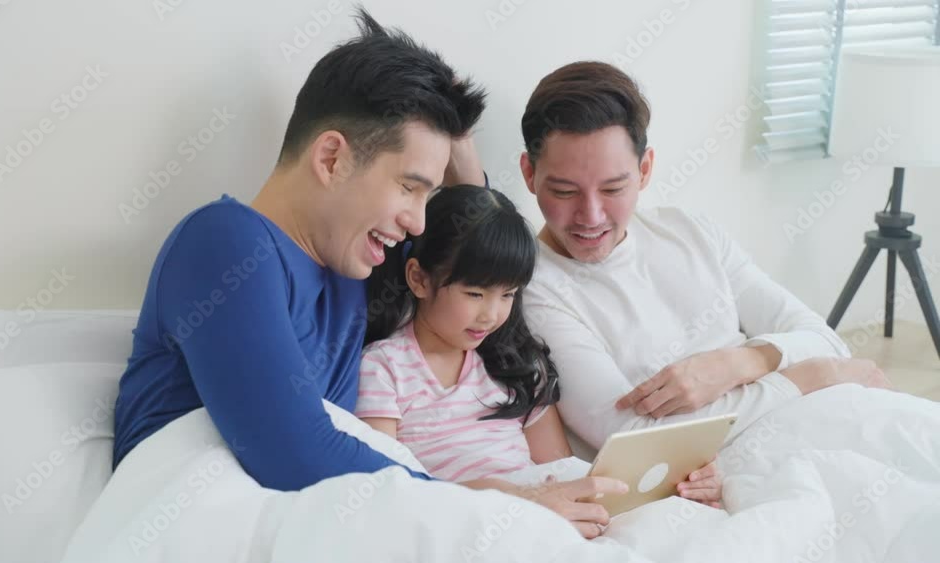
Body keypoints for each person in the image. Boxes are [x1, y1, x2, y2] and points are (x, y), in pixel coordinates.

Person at [110, 10, 623, 534]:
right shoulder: (224, 242)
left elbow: (479, 247)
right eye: (409, 186)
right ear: (332, 158)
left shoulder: (357, 262)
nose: (417, 220)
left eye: (429, 192)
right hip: (200, 517)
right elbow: (292, 451)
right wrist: (497, 504)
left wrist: (456, 134)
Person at [511, 61, 890, 452]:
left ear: (645, 170)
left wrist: (738, 364)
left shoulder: (688, 230)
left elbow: (826, 341)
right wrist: (809, 377)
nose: (591, 216)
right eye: (564, 192)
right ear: (529, 174)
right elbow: (632, 439)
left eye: (612, 189)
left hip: (817, 415)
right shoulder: (532, 290)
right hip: (740, 455)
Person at [357, 185, 723, 538]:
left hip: (543, 521)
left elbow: (559, 469)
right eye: (475, 293)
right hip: (469, 524)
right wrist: (511, 498)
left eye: (507, 294)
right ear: (419, 279)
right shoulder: (384, 368)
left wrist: (675, 485)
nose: (491, 315)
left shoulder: (515, 365)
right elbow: (393, 491)